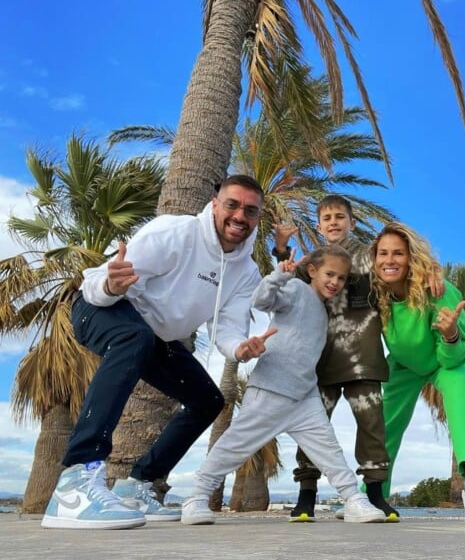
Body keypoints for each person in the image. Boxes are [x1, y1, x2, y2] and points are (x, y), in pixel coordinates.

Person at [42, 174, 276, 530]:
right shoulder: (175, 233)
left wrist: (239, 348)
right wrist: (109, 284)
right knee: (134, 336)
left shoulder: (246, 271)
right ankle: (75, 482)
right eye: (232, 205)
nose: (239, 216)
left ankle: (137, 485)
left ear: (258, 217)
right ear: (215, 205)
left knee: (207, 400)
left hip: (152, 337)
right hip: (99, 307)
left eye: (250, 210)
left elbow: (227, 328)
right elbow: (95, 285)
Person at [181, 245, 387, 526]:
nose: (335, 282)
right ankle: (196, 498)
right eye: (329, 274)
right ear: (312, 271)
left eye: (341, 278)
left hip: (305, 396)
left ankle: (354, 499)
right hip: (271, 389)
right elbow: (262, 300)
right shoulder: (297, 290)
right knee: (234, 446)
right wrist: (280, 275)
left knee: (329, 450)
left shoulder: (323, 309)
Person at [274, 195, 425, 522]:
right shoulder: (312, 262)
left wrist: (430, 279)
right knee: (313, 427)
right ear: (318, 225)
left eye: (339, 216)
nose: (333, 222)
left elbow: (400, 272)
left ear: (351, 222)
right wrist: (283, 252)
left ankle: (375, 495)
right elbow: (284, 287)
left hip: (364, 358)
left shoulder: (371, 256)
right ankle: (307, 496)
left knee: (372, 427)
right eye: (326, 217)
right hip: (320, 362)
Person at [369, 222, 465, 525]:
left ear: (412, 258)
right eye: (383, 253)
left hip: (447, 359)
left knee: (460, 396)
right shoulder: (375, 294)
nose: (389, 260)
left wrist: (451, 334)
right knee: (384, 422)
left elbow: (453, 358)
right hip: (404, 364)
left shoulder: (439, 290)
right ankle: (373, 493)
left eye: (398, 253)